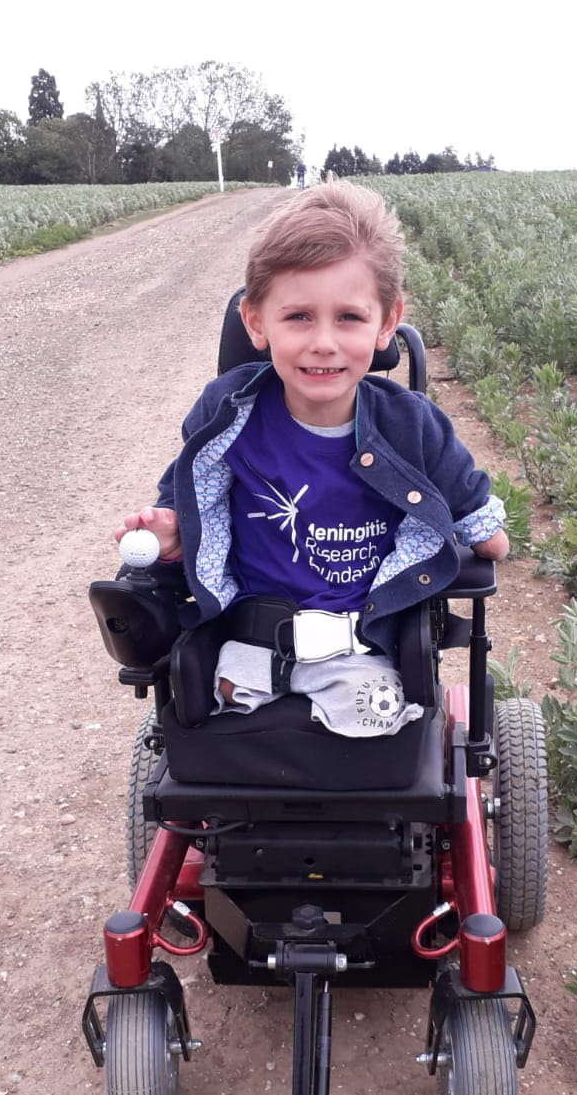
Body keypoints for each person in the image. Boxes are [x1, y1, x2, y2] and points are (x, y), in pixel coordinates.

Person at [114, 182, 508, 737]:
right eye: (298, 316)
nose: (323, 341)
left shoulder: (411, 424)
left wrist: (484, 538)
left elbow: (477, 516)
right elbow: (187, 497)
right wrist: (172, 534)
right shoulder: (227, 411)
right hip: (251, 632)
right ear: (256, 322)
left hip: (361, 639)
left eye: (348, 318)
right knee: (207, 731)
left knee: (377, 734)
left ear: (386, 322)